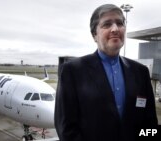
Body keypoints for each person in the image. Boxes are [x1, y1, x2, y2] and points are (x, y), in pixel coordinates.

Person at [54, 4, 158, 141]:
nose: (115, 29)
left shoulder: (141, 72)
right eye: (107, 24)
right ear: (94, 35)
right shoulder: (72, 71)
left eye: (120, 23)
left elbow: (150, 125)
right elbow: (66, 128)